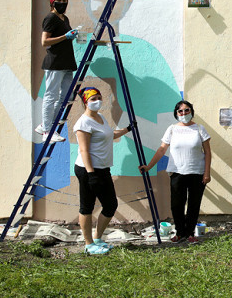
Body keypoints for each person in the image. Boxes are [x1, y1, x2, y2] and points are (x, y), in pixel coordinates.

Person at [139, 100, 211, 244]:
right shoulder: (172, 129)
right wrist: (149, 166)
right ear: (176, 113)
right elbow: (161, 150)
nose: (183, 113)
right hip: (177, 172)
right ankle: (180, 232)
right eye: (180, 111)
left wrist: (206, 173)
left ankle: (190, 233)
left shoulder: (199, 129)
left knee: (193, 205)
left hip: (197, 173)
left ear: (191, 111)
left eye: (186, 110)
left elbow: (208, 152)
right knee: (177, 205)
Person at [74, 87, 133, 254]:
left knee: (110, 205)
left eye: (99, 97)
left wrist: (127, 129)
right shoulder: (83, 123)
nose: (97, 101)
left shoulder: (100, 117)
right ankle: (88, 244)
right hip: (88, 170)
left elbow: (110, 134)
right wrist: (91, 174)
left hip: (103, 168)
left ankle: (98, 239)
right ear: (85, 102)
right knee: (87, 206)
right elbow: (84, 150)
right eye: (93, 99)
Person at [35, 0, 78, 143]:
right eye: (59, 1)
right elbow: (44, 41)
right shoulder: (50, 18)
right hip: (54, 63)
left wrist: (71, 36)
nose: (62, 4)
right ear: (52, 2)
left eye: (64, 1)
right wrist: (64, 37)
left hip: (66, 62)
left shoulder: (64, 18)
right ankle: (48, 130)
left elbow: (64, 39)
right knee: (51, 96)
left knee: (67, 96)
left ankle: (45, 125)